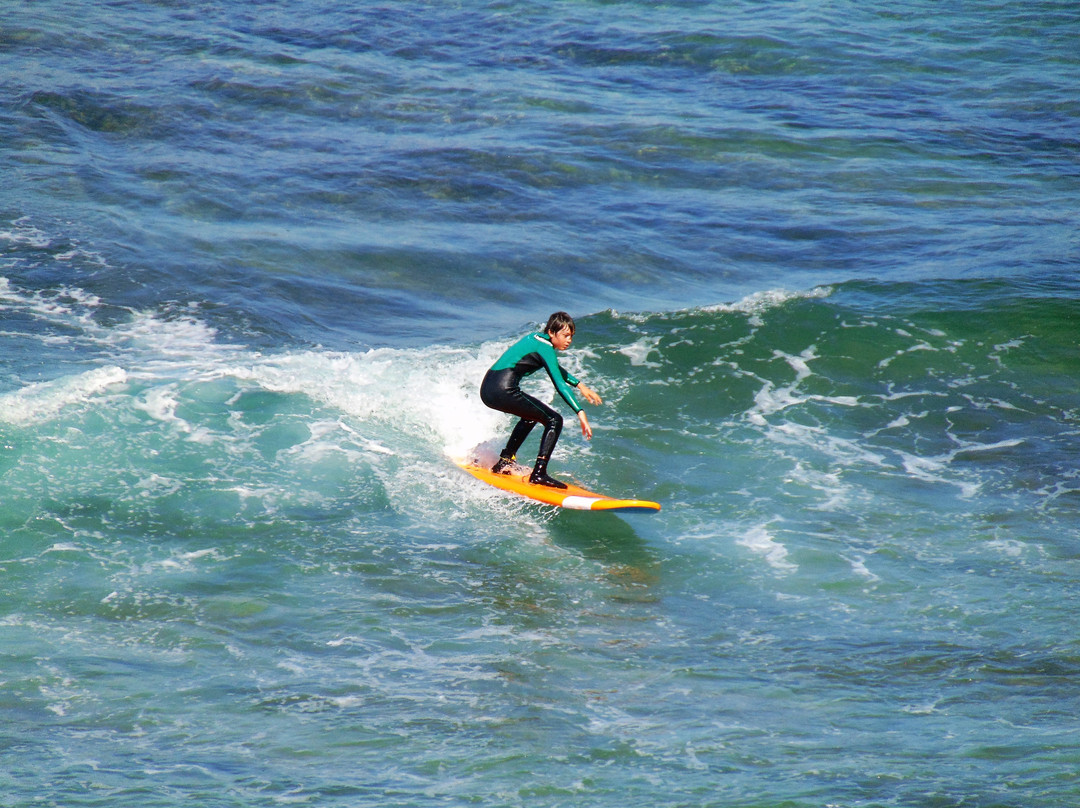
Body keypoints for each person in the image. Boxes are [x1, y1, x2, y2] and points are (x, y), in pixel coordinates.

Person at [480, 311, 602, 489]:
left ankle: (505, 461)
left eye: (571, 336)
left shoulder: (537, 339)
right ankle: (539, 473)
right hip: (502, 389)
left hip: (490, 388)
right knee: (554, 420)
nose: (569, 340)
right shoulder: (544, 347)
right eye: (565, 335)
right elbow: (559, 384)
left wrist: (580, 385)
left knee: (531, 416)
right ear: (552, 333)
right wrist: (580, 412)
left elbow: (554, 367)